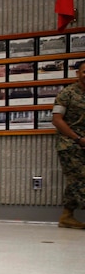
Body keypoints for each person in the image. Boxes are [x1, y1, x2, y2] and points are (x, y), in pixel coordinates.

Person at [52, 59, 85, 229]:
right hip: (70, 144)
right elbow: (57, 120)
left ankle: (67, 215)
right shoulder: (67, 93)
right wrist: (78, 139)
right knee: (81, 177)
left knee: (75, 180)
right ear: (78, 74)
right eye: (84, 71)